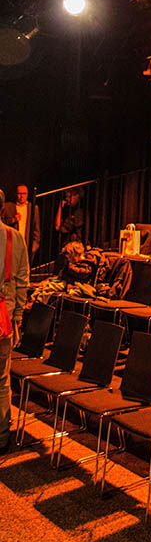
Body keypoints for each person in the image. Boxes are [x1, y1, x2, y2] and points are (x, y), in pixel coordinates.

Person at [0, 187, 30, 454]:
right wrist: (18, 316)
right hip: (4, 319)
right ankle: (1, 437)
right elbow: (22, 282)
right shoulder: (14, 237)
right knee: (1, 380)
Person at [15, 184, 40, 257]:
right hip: (14, 245)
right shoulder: (10, 207)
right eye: (20, 193)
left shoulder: (33, 208)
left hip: (27, 246)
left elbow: (37, 229)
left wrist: (34, 246)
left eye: (24, 194)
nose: (22, 196)